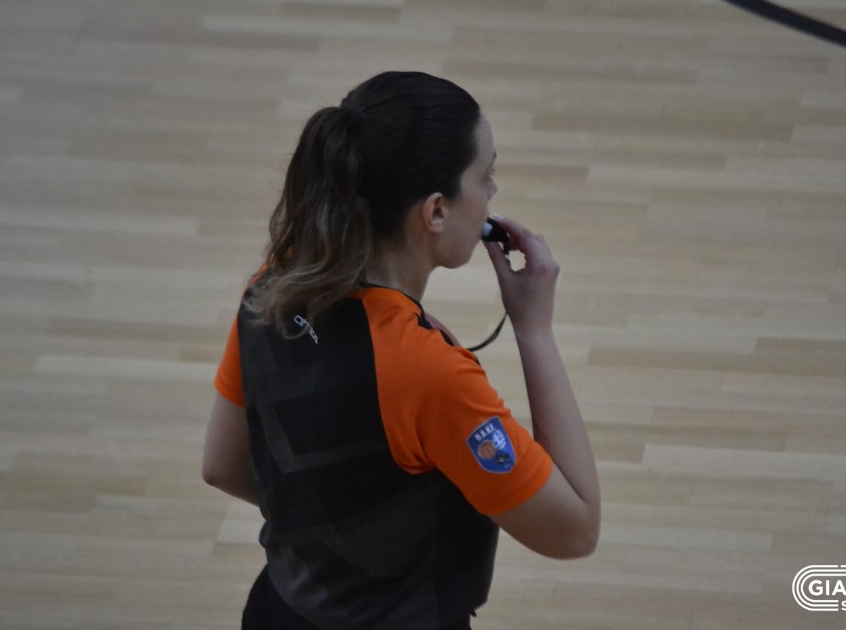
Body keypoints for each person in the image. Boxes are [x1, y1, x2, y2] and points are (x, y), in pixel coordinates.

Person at [202, 71, 601, 630]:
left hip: (278, 614)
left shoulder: (272, 287)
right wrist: (534, 331)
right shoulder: (428, 372)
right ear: (436, 211)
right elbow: (574, 530)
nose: (492, 195)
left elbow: (222, 467)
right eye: (485, 176)